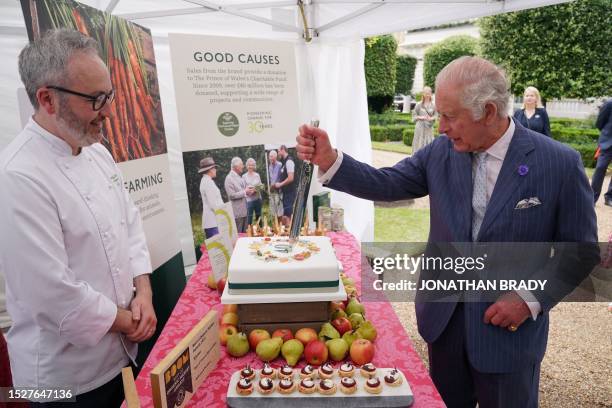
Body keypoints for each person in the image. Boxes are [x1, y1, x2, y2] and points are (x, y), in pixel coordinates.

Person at [296, 56, 598, 407]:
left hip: (508, 335)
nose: (440, 127)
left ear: (487, 112)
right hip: (444, 326)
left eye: (449, 116)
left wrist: (529, 299)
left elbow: (581, 251)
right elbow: (389, 182)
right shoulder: (441, 151)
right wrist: (330, 159)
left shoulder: (559, 163)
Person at [0, 29, 157, 407]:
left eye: (109, 95)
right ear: (47, 99)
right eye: (95, 99)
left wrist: (145, 291)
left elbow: (130, 223)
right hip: (60, 380)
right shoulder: (18, 175)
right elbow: (50, 293)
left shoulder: (97, 153)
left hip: (119, 352)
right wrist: (128, 321)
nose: (108, 110)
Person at [591, 99, 612, 206]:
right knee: (600, 168)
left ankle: (609, 198)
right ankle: (592, 197)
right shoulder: (609, 103)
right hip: (608, 142)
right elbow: (599, 123)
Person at [224, 157, 253, 233]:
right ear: (236, 166)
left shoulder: (239, 176)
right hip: (237, 214)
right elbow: (231, 195)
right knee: (239, 236)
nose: (243, 166)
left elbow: (243, 190)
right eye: (241, 164)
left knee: (245, 235)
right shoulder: (229, 178)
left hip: (244, 212)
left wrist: (249, 190)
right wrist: (245, 192)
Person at [198, 157, 224, 239]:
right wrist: (225, 211)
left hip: (214, 221)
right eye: (214, 168)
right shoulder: (207, 182)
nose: (216, 170)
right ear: (210, 169)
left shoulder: (207, 180)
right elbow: (213, 204)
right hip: (212, 222)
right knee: (217, 250)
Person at [274, 145, 296, 227]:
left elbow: (291, 178)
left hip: (290, 193)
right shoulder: (284, 161)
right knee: (286, 215)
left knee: (288, 215)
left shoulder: (289, 161)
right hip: (286, 193)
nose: (278, 153)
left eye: (278, 151)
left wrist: (280, 184)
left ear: (283, 150)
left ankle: (289, 234)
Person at [412, 86, 436, 153]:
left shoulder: (433, 105)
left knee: (429, 142)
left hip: (429, 127)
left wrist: (431, 118)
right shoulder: (419, 104)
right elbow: (414, 115)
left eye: (429, 93)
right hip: (420, 127)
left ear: (431, 94)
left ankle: (428, 158)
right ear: (423, 94)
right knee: (419, 142)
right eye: (426, 93)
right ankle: (417, 158)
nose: (427, 95)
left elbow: (436, 116)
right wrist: (421, 117)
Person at [243, 157, 263, 226]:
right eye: (249, 165)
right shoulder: (244, 176)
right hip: (249, 201)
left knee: (259, 218)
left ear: (254, 166)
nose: (250, 166)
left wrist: (255, 190)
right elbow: (243, 188)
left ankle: (260, 232)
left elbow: (261, 186)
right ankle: (249, 233)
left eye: (252, 165)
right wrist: (248, 192)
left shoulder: (257, 175)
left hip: (257, 199)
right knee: (249, 220)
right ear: (246, 166)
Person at [267, 149, 283, 221]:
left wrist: (271, 187)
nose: (270, 158)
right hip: (272, 191)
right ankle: (276, 227)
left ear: (276, 157)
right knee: (273, 211)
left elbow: (277, 179)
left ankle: (280, 226)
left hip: (279, 191)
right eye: (269, 156)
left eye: (272, 156)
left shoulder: (279, 165)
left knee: (279, 211)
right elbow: (271, 179)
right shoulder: (270, 166)